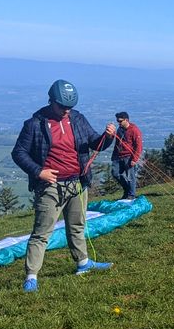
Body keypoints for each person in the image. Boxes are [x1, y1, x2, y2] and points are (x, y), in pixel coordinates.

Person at [11, 79, 117, 292]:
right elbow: (18, 153)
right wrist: (39, 172)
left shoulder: (77, 119)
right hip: (50, 187)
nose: (67, 111)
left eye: (70, 107)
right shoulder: (34, 124)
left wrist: (108, 138)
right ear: (51, 101)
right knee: (42, 233)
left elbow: (94, 143)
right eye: (63, 107)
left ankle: (83, 263)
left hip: (78, 183)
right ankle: (31, 277)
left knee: (77, 225)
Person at [111, 111, 143, 200]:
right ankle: (127, 189)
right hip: (118, 156)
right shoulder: (119, 130)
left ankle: (131, 195)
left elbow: (139, 145)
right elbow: (117, 143)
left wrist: (134, 159)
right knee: (115, 173)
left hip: (129, 157)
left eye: (120, 121)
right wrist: (114, 155)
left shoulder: (134, 130)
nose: (119, 123)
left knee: (130, 177)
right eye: (118, 121)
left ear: (126, 120)